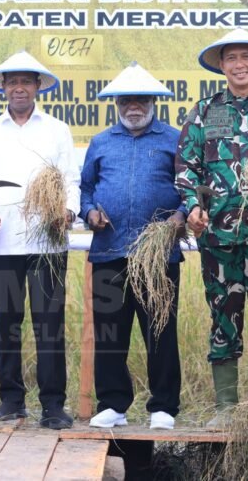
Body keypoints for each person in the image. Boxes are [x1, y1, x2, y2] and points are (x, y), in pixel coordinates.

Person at [0, 51, 80, 430]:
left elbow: (71, 180)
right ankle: (11, 400)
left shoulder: (56, 130)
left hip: (48, 245)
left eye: (26, 81)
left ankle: (53, 405)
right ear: (3, 88)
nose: (19, 87)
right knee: (7, 323)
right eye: (12, 81)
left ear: (37, 87)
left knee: (49, 325)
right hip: (1, 245)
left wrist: (66, 213)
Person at [80, 62, 186, 430]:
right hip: (110, 252)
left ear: (153, 102)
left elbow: (191, 188)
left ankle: (164, 407)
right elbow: (86, 189)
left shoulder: (174, 139)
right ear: (117, 104)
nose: (133, 107)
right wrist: (90, 212)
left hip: (157, 256)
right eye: (127, 100)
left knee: (159, 329)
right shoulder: (101, 142)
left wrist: (179, 218)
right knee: (110, 332)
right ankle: (113, 404)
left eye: (141, 99)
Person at [175, 29, 248, 427]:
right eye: (231, 58)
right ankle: (226, 411)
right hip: (218, 240)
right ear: (221, 65)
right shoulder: (204, 112)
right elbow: (185, 167)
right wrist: (194, 206)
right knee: (223, 318)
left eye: (246, 56)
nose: (240, 65)